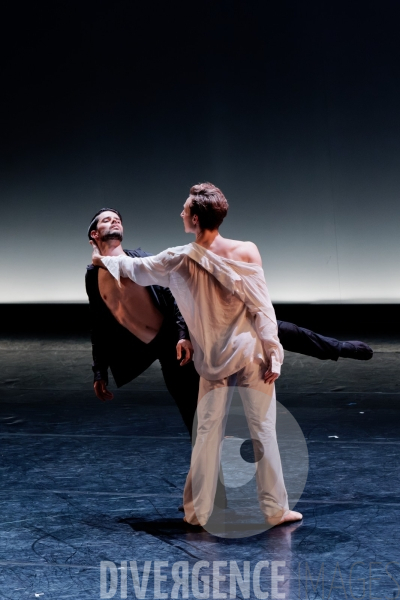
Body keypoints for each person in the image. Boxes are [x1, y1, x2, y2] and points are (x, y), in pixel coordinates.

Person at [89, 184, 310, 526]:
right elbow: (262, 308)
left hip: (214, 362)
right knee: (262, 430)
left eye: (183, 209)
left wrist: (100, 257)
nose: (180, 213)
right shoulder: (246, 250)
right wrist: (273, 352)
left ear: (194, 218)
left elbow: (135, 269)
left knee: (207, 437)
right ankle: (274, 509)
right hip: (251, 356)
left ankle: (197, 511)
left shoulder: (179, 258)